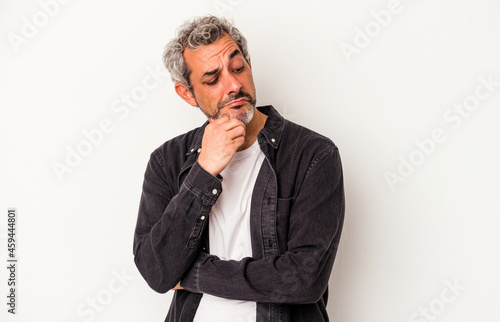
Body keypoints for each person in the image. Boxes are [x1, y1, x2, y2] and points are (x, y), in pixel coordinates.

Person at [133, 15, 345, 322]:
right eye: (212, 79)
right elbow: (156, 270)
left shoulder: (313, 154)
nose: (234, 85)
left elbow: (303, 279)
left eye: (238, 68)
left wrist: (193, 274)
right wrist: (204, 171)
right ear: (187, 93)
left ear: (249, 63)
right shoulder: (167, 160)